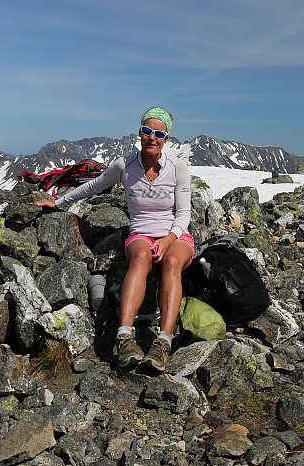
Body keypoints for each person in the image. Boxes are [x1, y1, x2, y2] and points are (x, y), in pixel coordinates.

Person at [35, 107, 192, 371]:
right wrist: (58, 202)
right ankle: (124, 337)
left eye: (159, 133)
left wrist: (166, 241)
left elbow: (184, 212)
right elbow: (94, 185)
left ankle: (163, 342)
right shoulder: (124, 166)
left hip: (175, 235)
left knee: (172, 263)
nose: (152, 138)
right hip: (141, 234)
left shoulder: (178, 168)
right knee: (141, 256)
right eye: (146, 131)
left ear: (166, 138)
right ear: (139, 133)